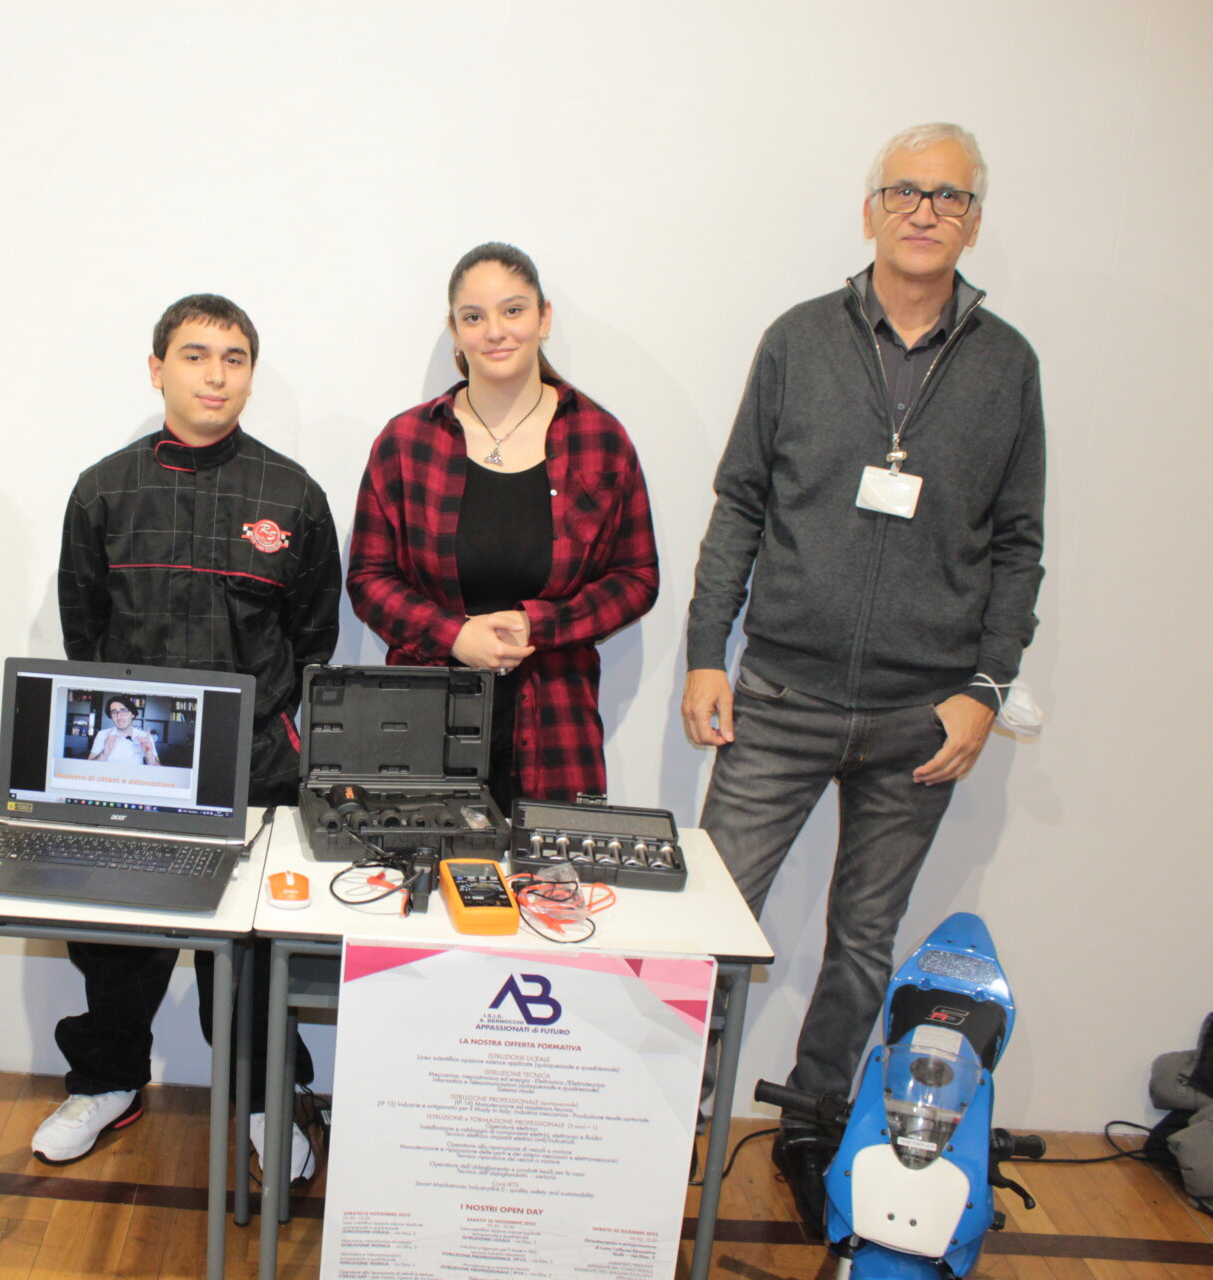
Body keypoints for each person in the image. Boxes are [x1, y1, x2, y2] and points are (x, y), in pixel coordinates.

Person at [680, 123, 1045, 1233]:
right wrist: (707, 648)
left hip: (919, 716)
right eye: (906, 190)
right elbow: (741, 497)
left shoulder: (1006, 364)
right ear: (872, 207)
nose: (925, 209)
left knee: (862, 942)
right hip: (781, 694)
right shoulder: (799, 339)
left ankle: (812, 1121)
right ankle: (664, 1108)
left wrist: (986, 685)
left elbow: (1019, 540)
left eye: (949, 195)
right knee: (712, 920)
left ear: (973, 219)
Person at [48, 293, 340, 1177]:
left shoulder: (291, 495)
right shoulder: (103, 490)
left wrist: (280, 745)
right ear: (157, 369)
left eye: (235, 358)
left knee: (249, 958)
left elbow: (314, 639)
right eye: (196, 354)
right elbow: (82, 632)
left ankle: (264, 1102)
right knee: (116, 947)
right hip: (134, 772)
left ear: (251, 373)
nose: (216, 374)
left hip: (258, 771)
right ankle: (105, 1084)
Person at [348, 242, 659, 811]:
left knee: (551, 891)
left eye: (513, 311)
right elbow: (369, 579)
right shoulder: (407, 442)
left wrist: (539, 624)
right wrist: (454, 637)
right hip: (424, 723)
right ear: (455, 331)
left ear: (544, 318)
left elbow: (636, 578)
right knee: (417, 887)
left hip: (557, 731)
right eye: (474, 317)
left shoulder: (600, 439)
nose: (495, 331)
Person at [88, 694, 160, 764]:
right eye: (114, 712)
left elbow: (159, 772)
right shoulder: (103, 735)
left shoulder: (145, 737)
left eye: (124, 711)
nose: (119, 717)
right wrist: (104, 754)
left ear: (133, 714)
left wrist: (150, 757)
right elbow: (88, 767)